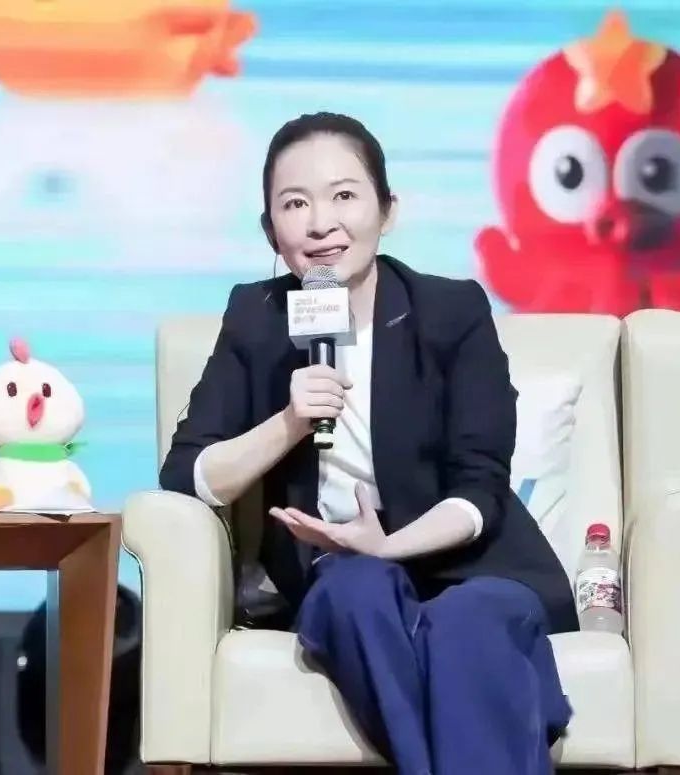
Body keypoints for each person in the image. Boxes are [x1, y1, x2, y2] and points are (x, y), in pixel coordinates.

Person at [159, 112, 577, 774]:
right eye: (295, 204)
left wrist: (389, 544)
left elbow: (480, 490)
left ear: (388, 211)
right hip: (342, 573)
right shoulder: (256, 319)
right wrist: (289, 421)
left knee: (470, 623)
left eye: (344, 196)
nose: (321, 223)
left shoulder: (451, 312)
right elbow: (188, 474)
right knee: (356, 592)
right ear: (270, 230)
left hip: (473, 565)